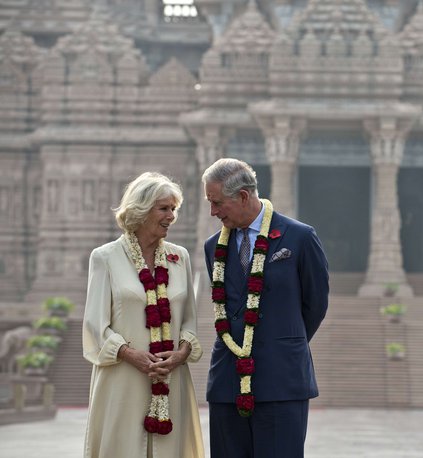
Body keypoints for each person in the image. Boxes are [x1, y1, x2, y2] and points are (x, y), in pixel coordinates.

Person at [202, 158, 329, 458]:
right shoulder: (213, 248)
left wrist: (280, 342)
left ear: (243, 196)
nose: (213, 212)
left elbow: (315, 304)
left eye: (218, 203)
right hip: (227, 382)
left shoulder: (299, 238)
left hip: (282, 380)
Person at [82, 172, 204, 458]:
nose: (171, 216)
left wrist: (181, 353)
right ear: (141, 209)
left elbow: (189, 320)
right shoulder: (105, 257)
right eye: (164, 208)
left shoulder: (180, 257)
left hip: (171, 376)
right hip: (122, 377)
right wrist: (129, 354)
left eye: (174, 209)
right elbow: (95, 325)